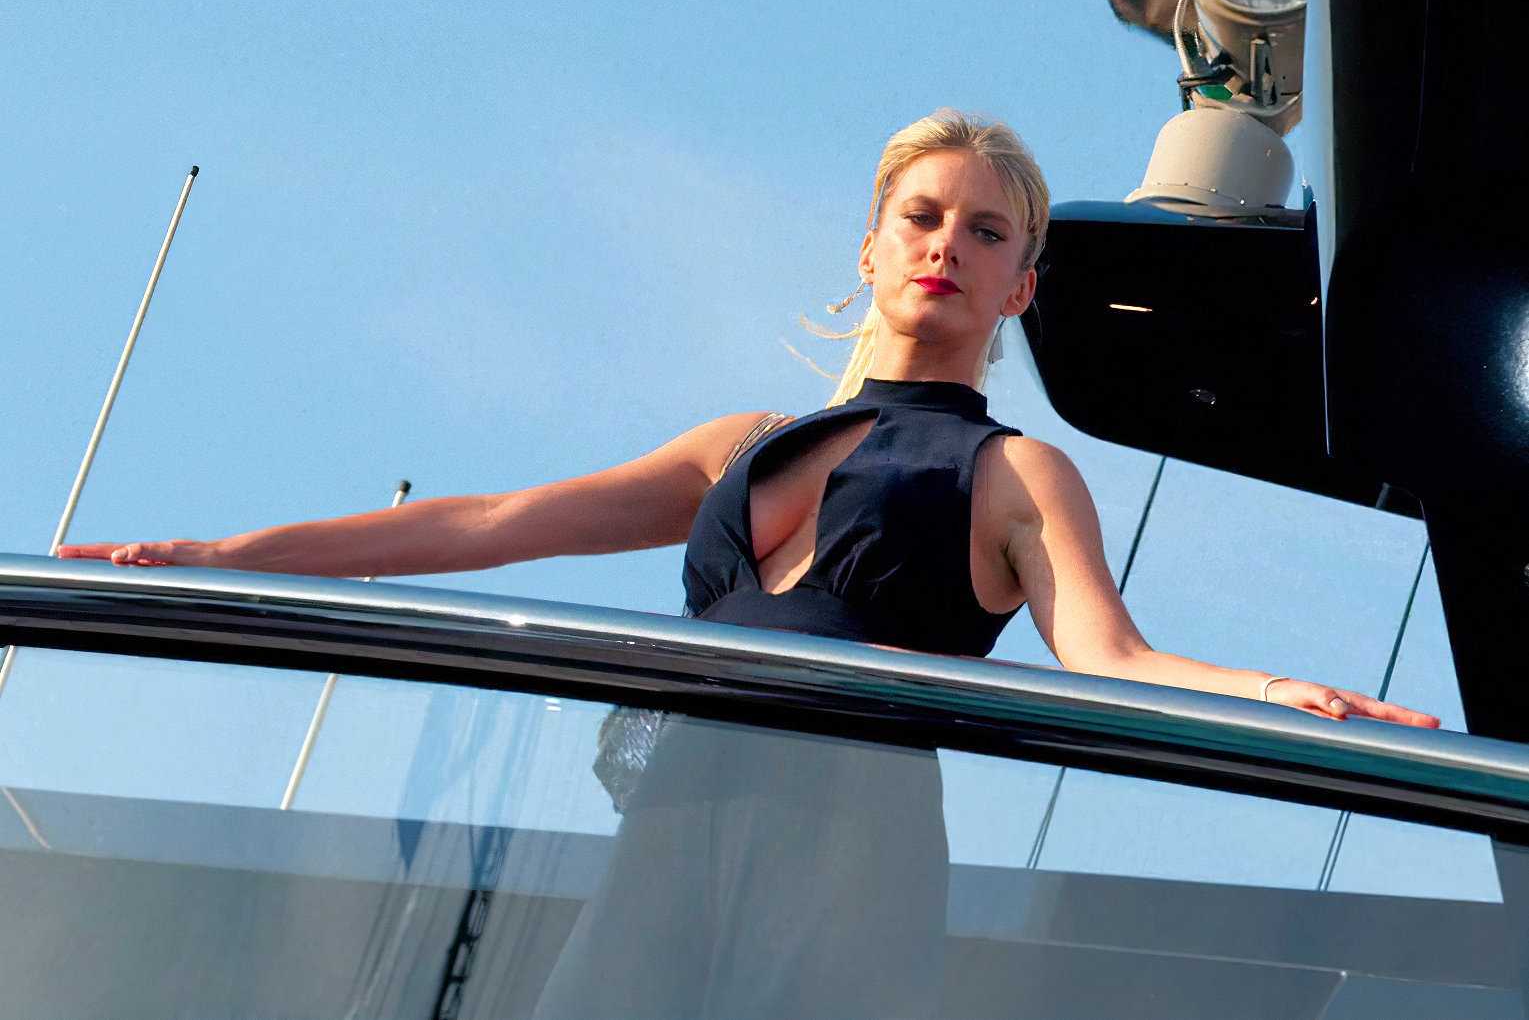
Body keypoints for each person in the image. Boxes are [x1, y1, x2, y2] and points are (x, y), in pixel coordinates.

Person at [60, 110, 1439, 1016]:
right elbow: (494, 521)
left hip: (853, 838)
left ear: (1021, 286)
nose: (946, 247)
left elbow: (1111, 656)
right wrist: (230, 556)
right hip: (672, 822)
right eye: (922, 216)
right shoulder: (740, 444)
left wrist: (1279, 694)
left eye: (986, 232)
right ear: (871, 245)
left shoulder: (1017, 472)